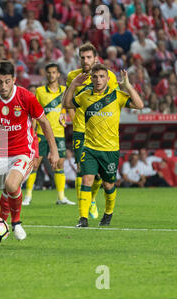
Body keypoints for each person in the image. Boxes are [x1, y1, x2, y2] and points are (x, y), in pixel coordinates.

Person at [0, 60, 58, 246]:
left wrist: (54, 151)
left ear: (14, 80)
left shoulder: (26, 97)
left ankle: (16, 222)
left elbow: (44, 123)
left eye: (7, 81)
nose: (4, 86)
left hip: (22, 152)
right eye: (0, 81)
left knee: (11, 184)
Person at [63, 64, 144, 227]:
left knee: (108, 185)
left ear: (108, 79)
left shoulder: (117, 96)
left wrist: (127, 85)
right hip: (90, 148)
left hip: (110, 150)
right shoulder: (85, 96)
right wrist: (73, 85)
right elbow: (67, 104)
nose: (98, 80)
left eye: (101, 77)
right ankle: (83, 219)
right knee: (86, 180)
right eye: (95, 77)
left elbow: (139, 105)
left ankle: (108, 214)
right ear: (91, 79)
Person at [60, 43, 120, 219]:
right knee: (82, 170)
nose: (85, 61)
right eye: (82, 57)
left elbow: (114, 100)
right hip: (81, 129)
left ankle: (92, 198)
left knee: (100, 175)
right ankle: (83, 214)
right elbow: (68, 99)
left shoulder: (109, 76)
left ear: (96, 58)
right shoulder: (73, 76)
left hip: (101, 133)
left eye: (88, 57)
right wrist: (64, 113)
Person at [24, 63, 75, 206]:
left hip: (58, 133)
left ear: (58, 74)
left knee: (59, 165)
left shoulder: (65, 91)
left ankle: (61, 197)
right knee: (34, 164)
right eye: (49, 72)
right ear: (46, 74)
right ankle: (27, 196)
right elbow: (34, 114)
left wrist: (67, 116)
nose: (52, 75)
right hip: (41, 133)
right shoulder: (40, 91)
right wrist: (32, 132)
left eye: (54, 72)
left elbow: (67, 109)